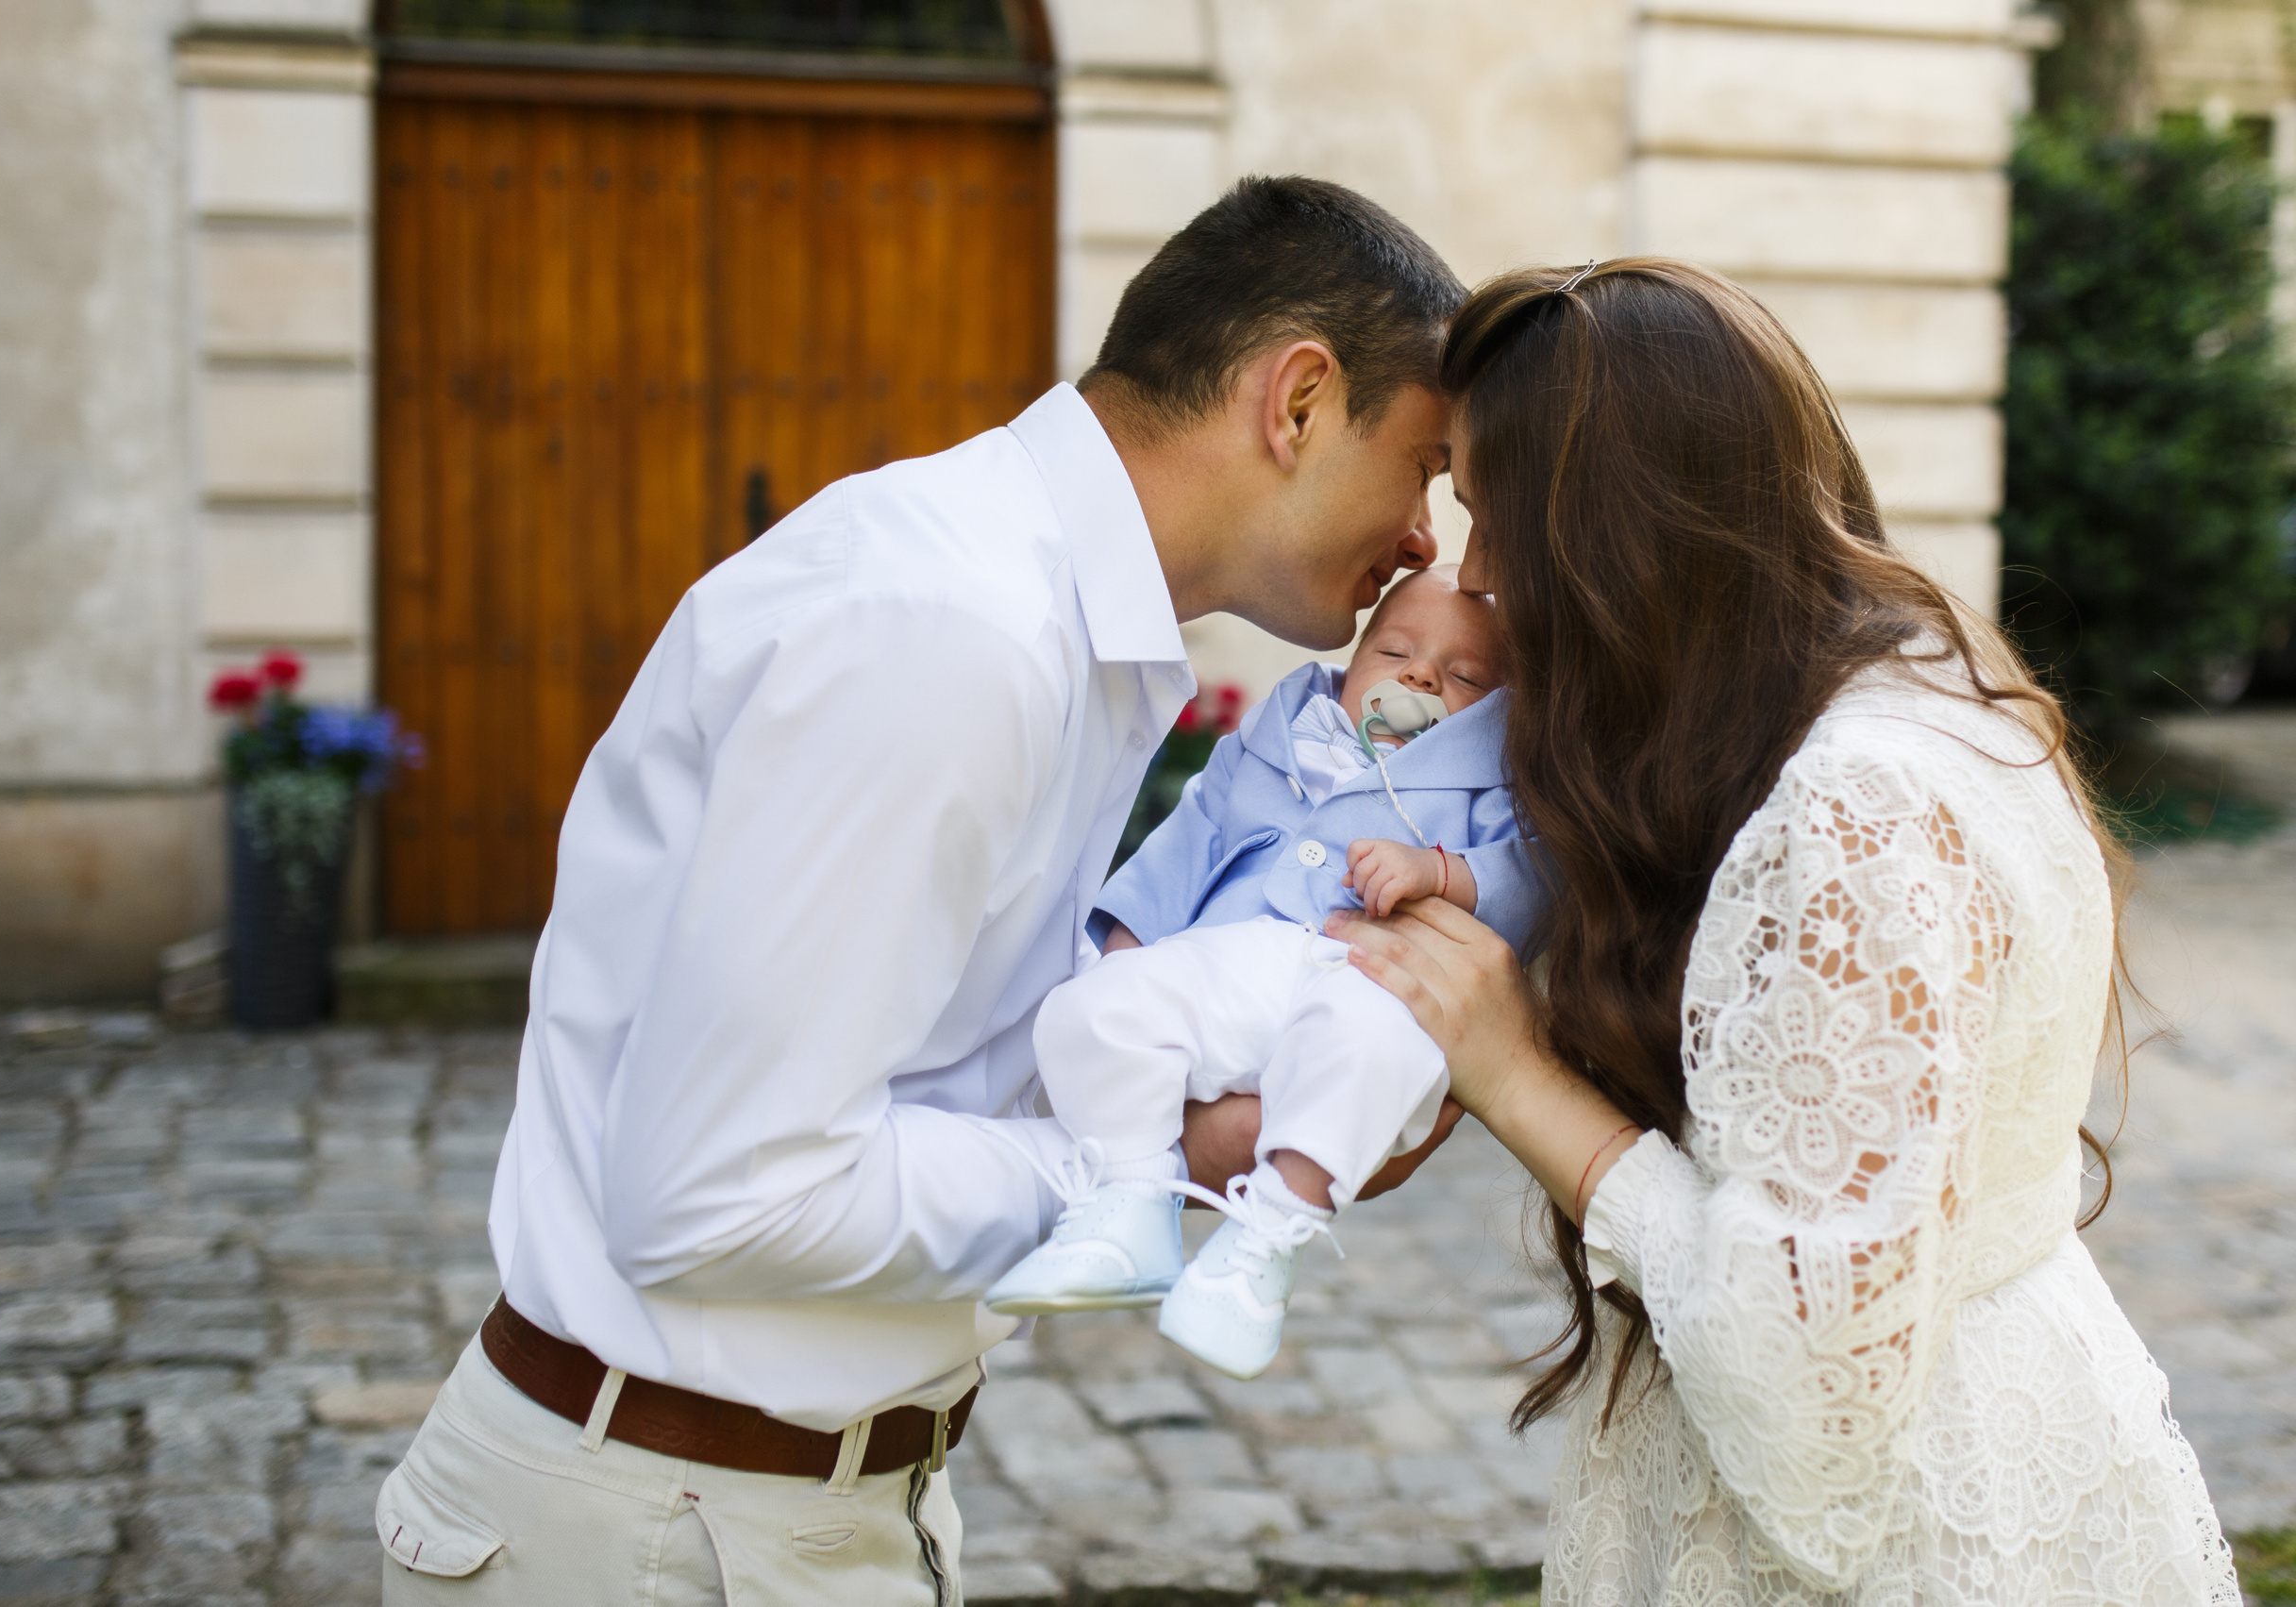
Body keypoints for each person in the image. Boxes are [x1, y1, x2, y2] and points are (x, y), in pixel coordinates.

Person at [373, 176, 1473, 1606]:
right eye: (1425, 466)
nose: (1424, 540)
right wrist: (1174, 1159)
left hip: (788, 1508)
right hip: (661, 1534)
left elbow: (932, 1065)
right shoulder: (946, 628)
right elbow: (720, 1192)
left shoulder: (1052, 618)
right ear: (1300, 401)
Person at [1325, 259, 2238, 1604]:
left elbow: (1809, 1411)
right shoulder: (1918, 684)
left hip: (1908, 1536)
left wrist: (1515, 1071)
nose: (1476, 570)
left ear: (1617, 528)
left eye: (1492, 510)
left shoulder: (1852, 803)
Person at [984, 568, 1547, 1379]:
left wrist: (1440, 872)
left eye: (1465, 678)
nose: (1423, 676)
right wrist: (1135, 951)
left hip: (1371, 977)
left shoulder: (1493, 780)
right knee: (1091, 1010)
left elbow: (1530, 879)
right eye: (1395, 650)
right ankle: (1128, 1201)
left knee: (1368, 1052)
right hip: (1238, 962)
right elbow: (1194, 834)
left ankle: (1265, 1245)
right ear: (1353, 666)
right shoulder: (1274, 741)